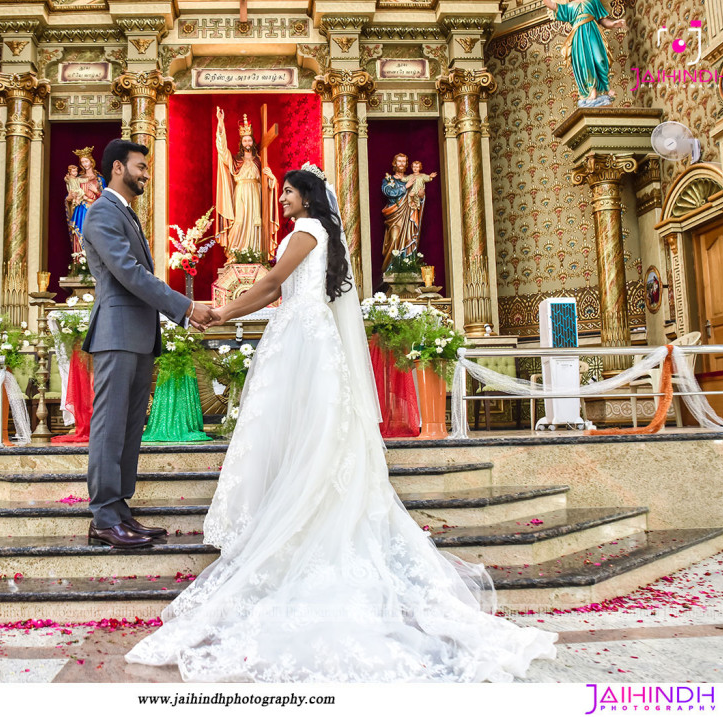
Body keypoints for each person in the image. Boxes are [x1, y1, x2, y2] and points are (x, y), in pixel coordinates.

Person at [126, 163, 558, 682]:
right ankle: (297, 511)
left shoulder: (306, 231)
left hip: (302, 342)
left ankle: (296, 522)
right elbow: (278, 289)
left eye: (287, 191)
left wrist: (221, 313)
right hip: (307, 338)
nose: (281, 198)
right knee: (312, 434)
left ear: (308, 197)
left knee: (303, 434)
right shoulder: (321, 233)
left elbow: (269, 285)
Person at [80, 139, 217, 549]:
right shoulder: (102, 212)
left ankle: (119, 510)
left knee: (128, 427)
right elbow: (128, 273)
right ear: (118, 168)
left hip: (137, 334)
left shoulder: (126, 214)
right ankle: (103, 516)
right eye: (141, 166)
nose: (145, 173)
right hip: (117, 333)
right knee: (110, 426)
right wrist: (186, 307)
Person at [215, 108, 278, 261]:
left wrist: (272, 178)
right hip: (241, 192)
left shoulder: (260, 159)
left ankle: (255, 254)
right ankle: (236, 253)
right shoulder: (235, 160)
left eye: (249, 140)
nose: (247, 142)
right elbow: (222, 150)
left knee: (257, 222)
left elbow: (268, 181)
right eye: (245, 140)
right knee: (240, 220)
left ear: (253, 142)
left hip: (256, 193)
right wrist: (221, 123)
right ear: (241, 142)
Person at [543, 0, 626, 107]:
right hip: (579, 36)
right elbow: (551, 4)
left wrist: (613, 24)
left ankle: (606, 87)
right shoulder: (569, 6)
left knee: (599, 59)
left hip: (593, 32)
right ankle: (592, 91)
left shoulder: (593, 1)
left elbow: (603, 20)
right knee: (585, 63)